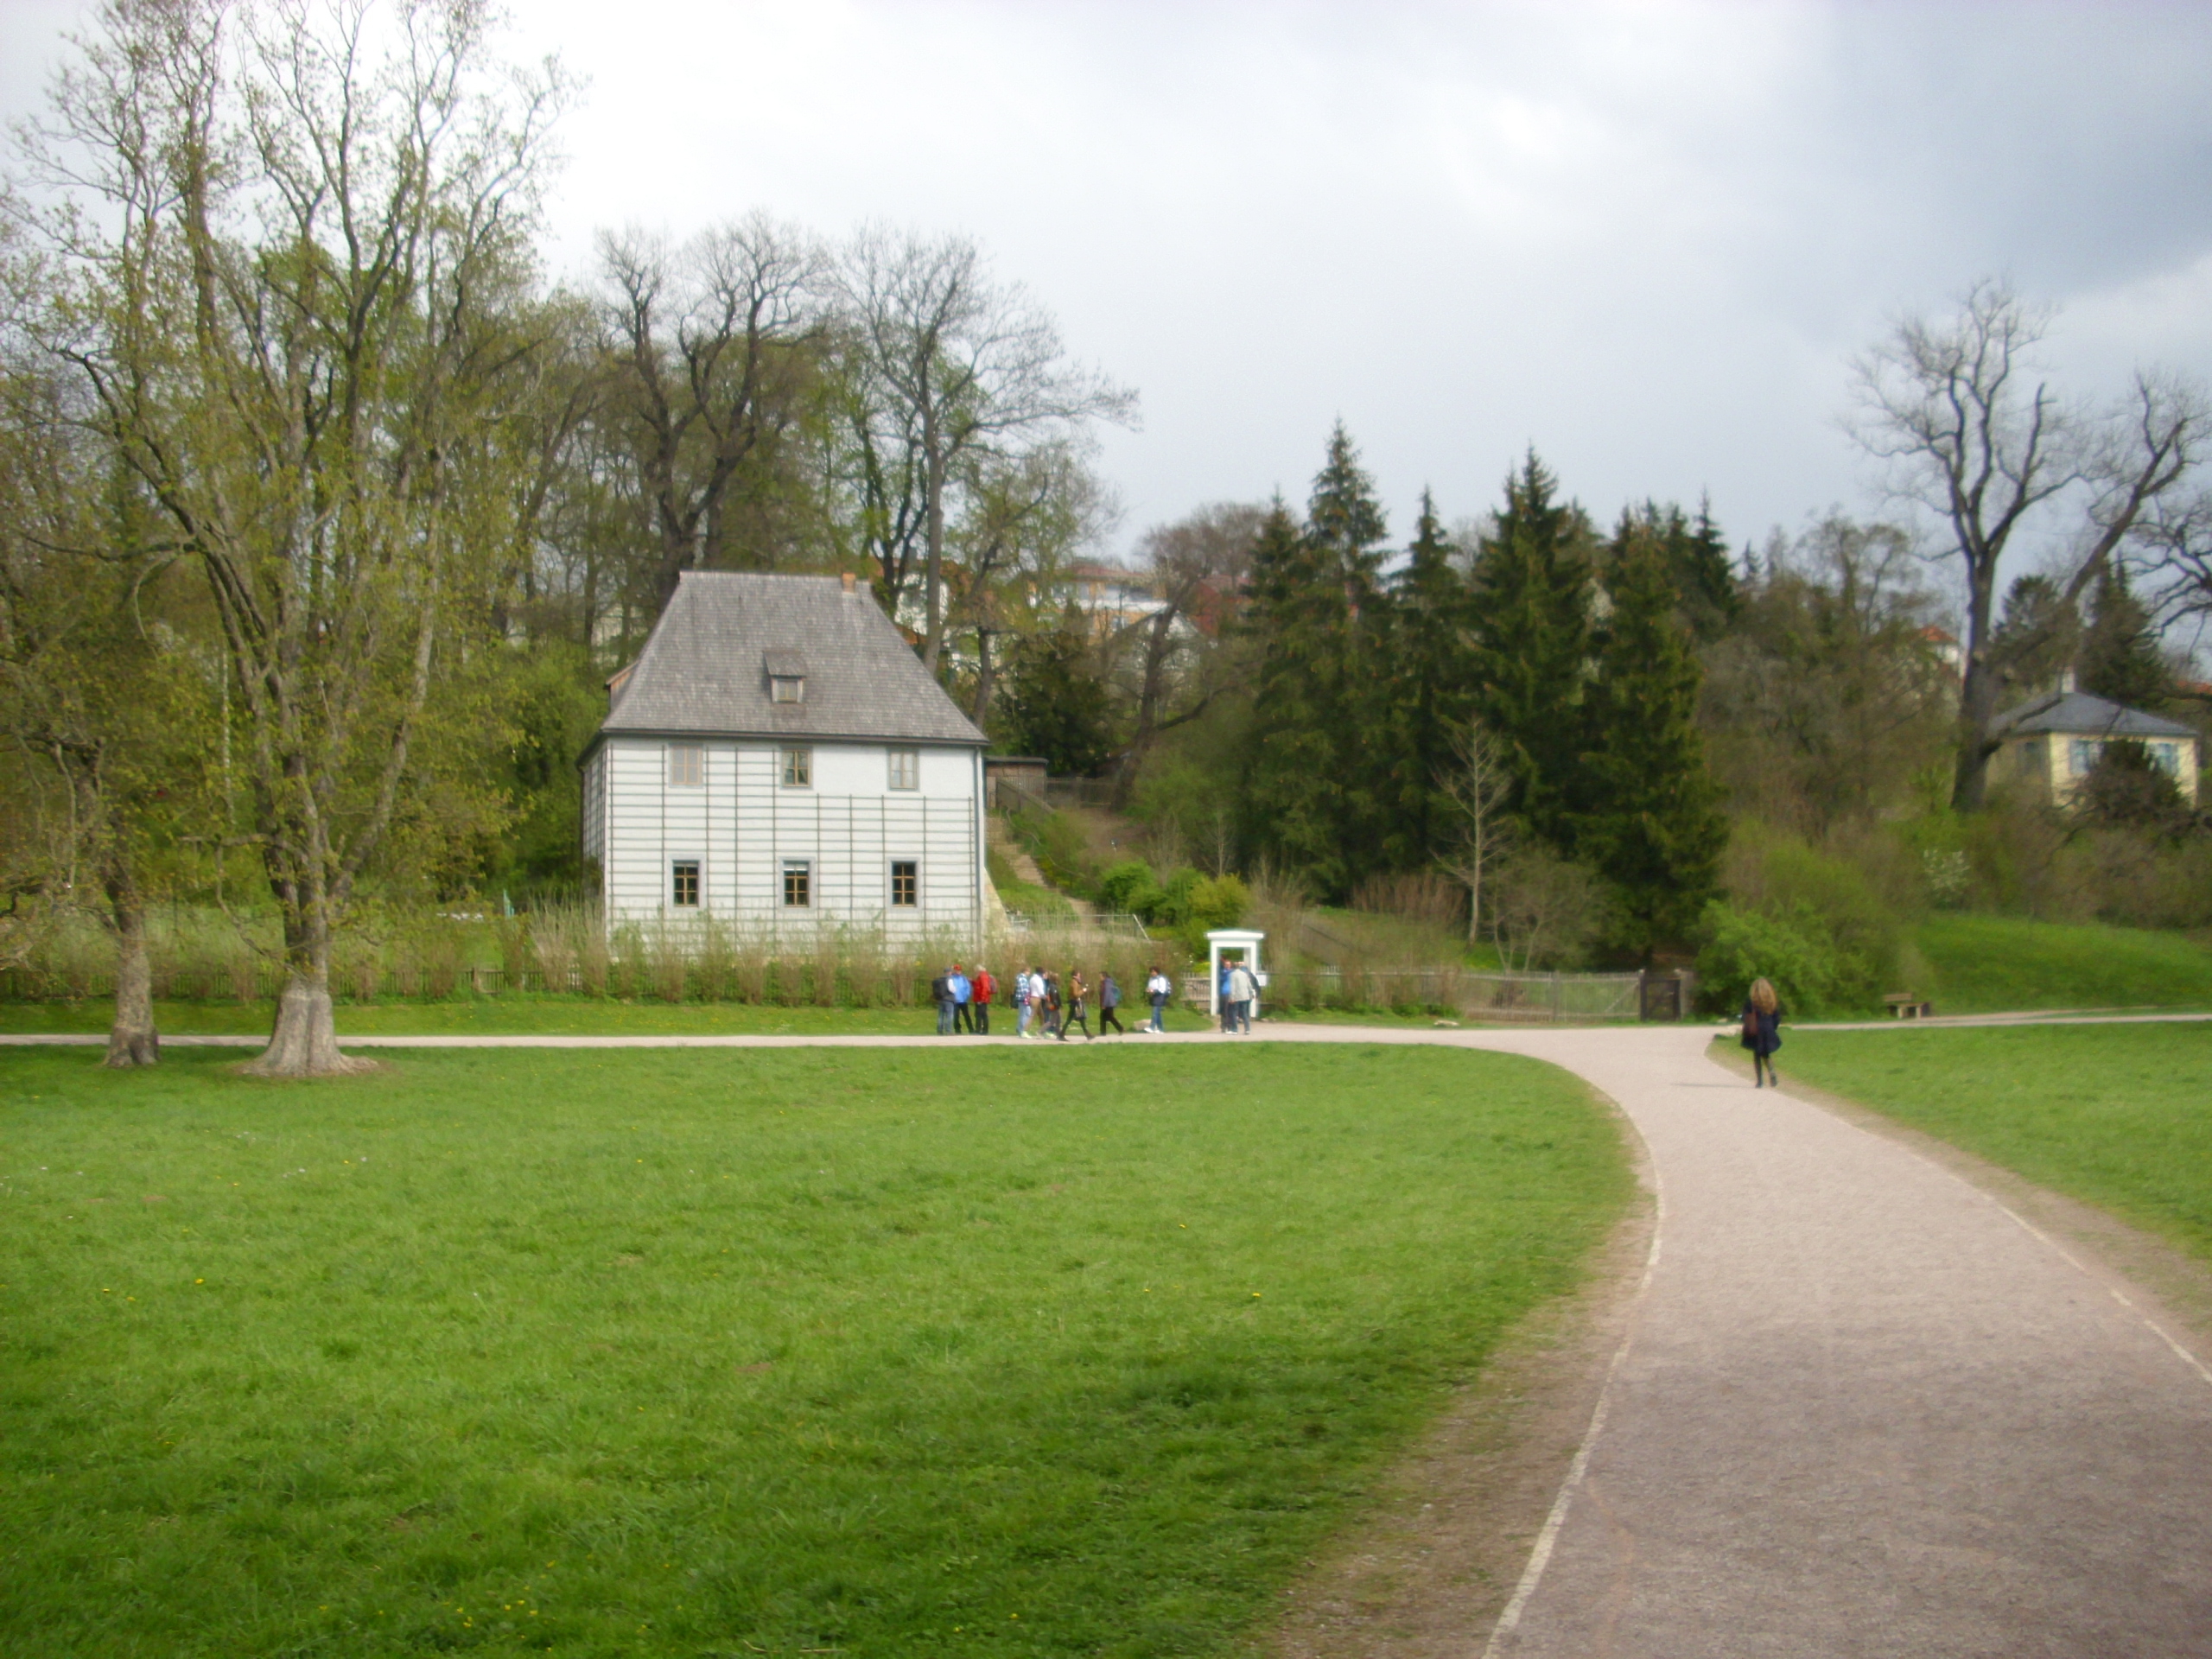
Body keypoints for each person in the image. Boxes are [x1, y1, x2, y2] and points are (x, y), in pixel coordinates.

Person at [1740, 976, 1784, 1087]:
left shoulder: (1751, 1001)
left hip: (1756, 1029)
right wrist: (1772, 1028)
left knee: (1757, 1055)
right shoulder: (1771, 1001)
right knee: (1765, 1053)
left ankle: (1760, 1081)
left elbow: (1745, 1016)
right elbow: (1777, 1018)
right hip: (1768, 1029)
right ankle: (1772, 1072)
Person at [1059, 969, 1095, 1040]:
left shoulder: (1076, 982)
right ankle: (1061, 1034)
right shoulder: (1074, 982)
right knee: (1071, 1019)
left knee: (1080, 1018)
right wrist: (1083, 991)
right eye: (1079, 975)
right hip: (1075, 1003)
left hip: (1075, 1002)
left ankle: (1087, 1034)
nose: (1080, 976)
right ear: (1075, 975)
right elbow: (1076, 994)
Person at [1226, 960, 1256, 1034]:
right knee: (1244, 1013)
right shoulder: (1244, 974)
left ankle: (1234, 1029)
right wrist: (1251, 993)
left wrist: (1232, 997)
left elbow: (1232, 987)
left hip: (1237, 997)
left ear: (1232, 968)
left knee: (1234, 1013)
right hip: (1245, 996)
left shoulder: (1232, 975)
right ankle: (1247, 1029)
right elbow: (1249, 985)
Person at [1145, 963, 1172, 1033]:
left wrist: (1154, 991)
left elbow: (1162, 989)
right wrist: (1149, 990)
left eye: (1154, 972)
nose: (1152, 973)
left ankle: (1152, 1027)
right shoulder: (1151, 979)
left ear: (1157, 972)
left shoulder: (1161, 979)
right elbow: (1150, 987)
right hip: (1154, 996)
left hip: (1160, 996)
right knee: (1158, 1013)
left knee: (1155, 1011)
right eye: (1151, 972)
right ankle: (1161, 1029)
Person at [1098, 970, 1125, 1036]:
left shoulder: (1107, 983)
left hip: (1108, 1003)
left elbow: (1107, 994)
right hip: (1108, 1003)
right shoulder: (1105, 983)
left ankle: (1121, 1029)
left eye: (1100, 976)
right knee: (1103, 1017)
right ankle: (1103, 1032)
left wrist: (1104, 1004)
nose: (1099, 978)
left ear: (1104, 977)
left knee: (1110, 1017)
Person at [931, 965, 954, 1036]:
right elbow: (951, 989)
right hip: (948, 999)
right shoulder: (949, 979)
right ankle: (948, 1031)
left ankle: (940, 1030)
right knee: (949, 1015)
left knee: (941, 1016)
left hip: (940, 999)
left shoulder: (939, 980)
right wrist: (955, 990)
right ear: (949, 972)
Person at [950, 963, 972, 1034]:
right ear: (954, 970)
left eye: (959, 970)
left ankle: (971, 1029)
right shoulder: (951, 978)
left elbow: (968, 988)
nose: (958, 971)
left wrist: (967, 996)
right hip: (955, 1001)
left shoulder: (964, 978)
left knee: (967, 1016)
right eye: (957, 970)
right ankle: (958, 1030)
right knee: (956, 1017)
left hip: (963, 1000)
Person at [972, 964, 995, 1035]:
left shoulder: (983, 976)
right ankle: (984, 1030)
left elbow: (985, 987)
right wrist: (972, 982)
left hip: (981, 999)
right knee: (982, 1014)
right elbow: (979, 985)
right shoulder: (982, 976)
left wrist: (982, 998)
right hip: (981, 998)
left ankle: (980, 1030)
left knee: (980, 1014)